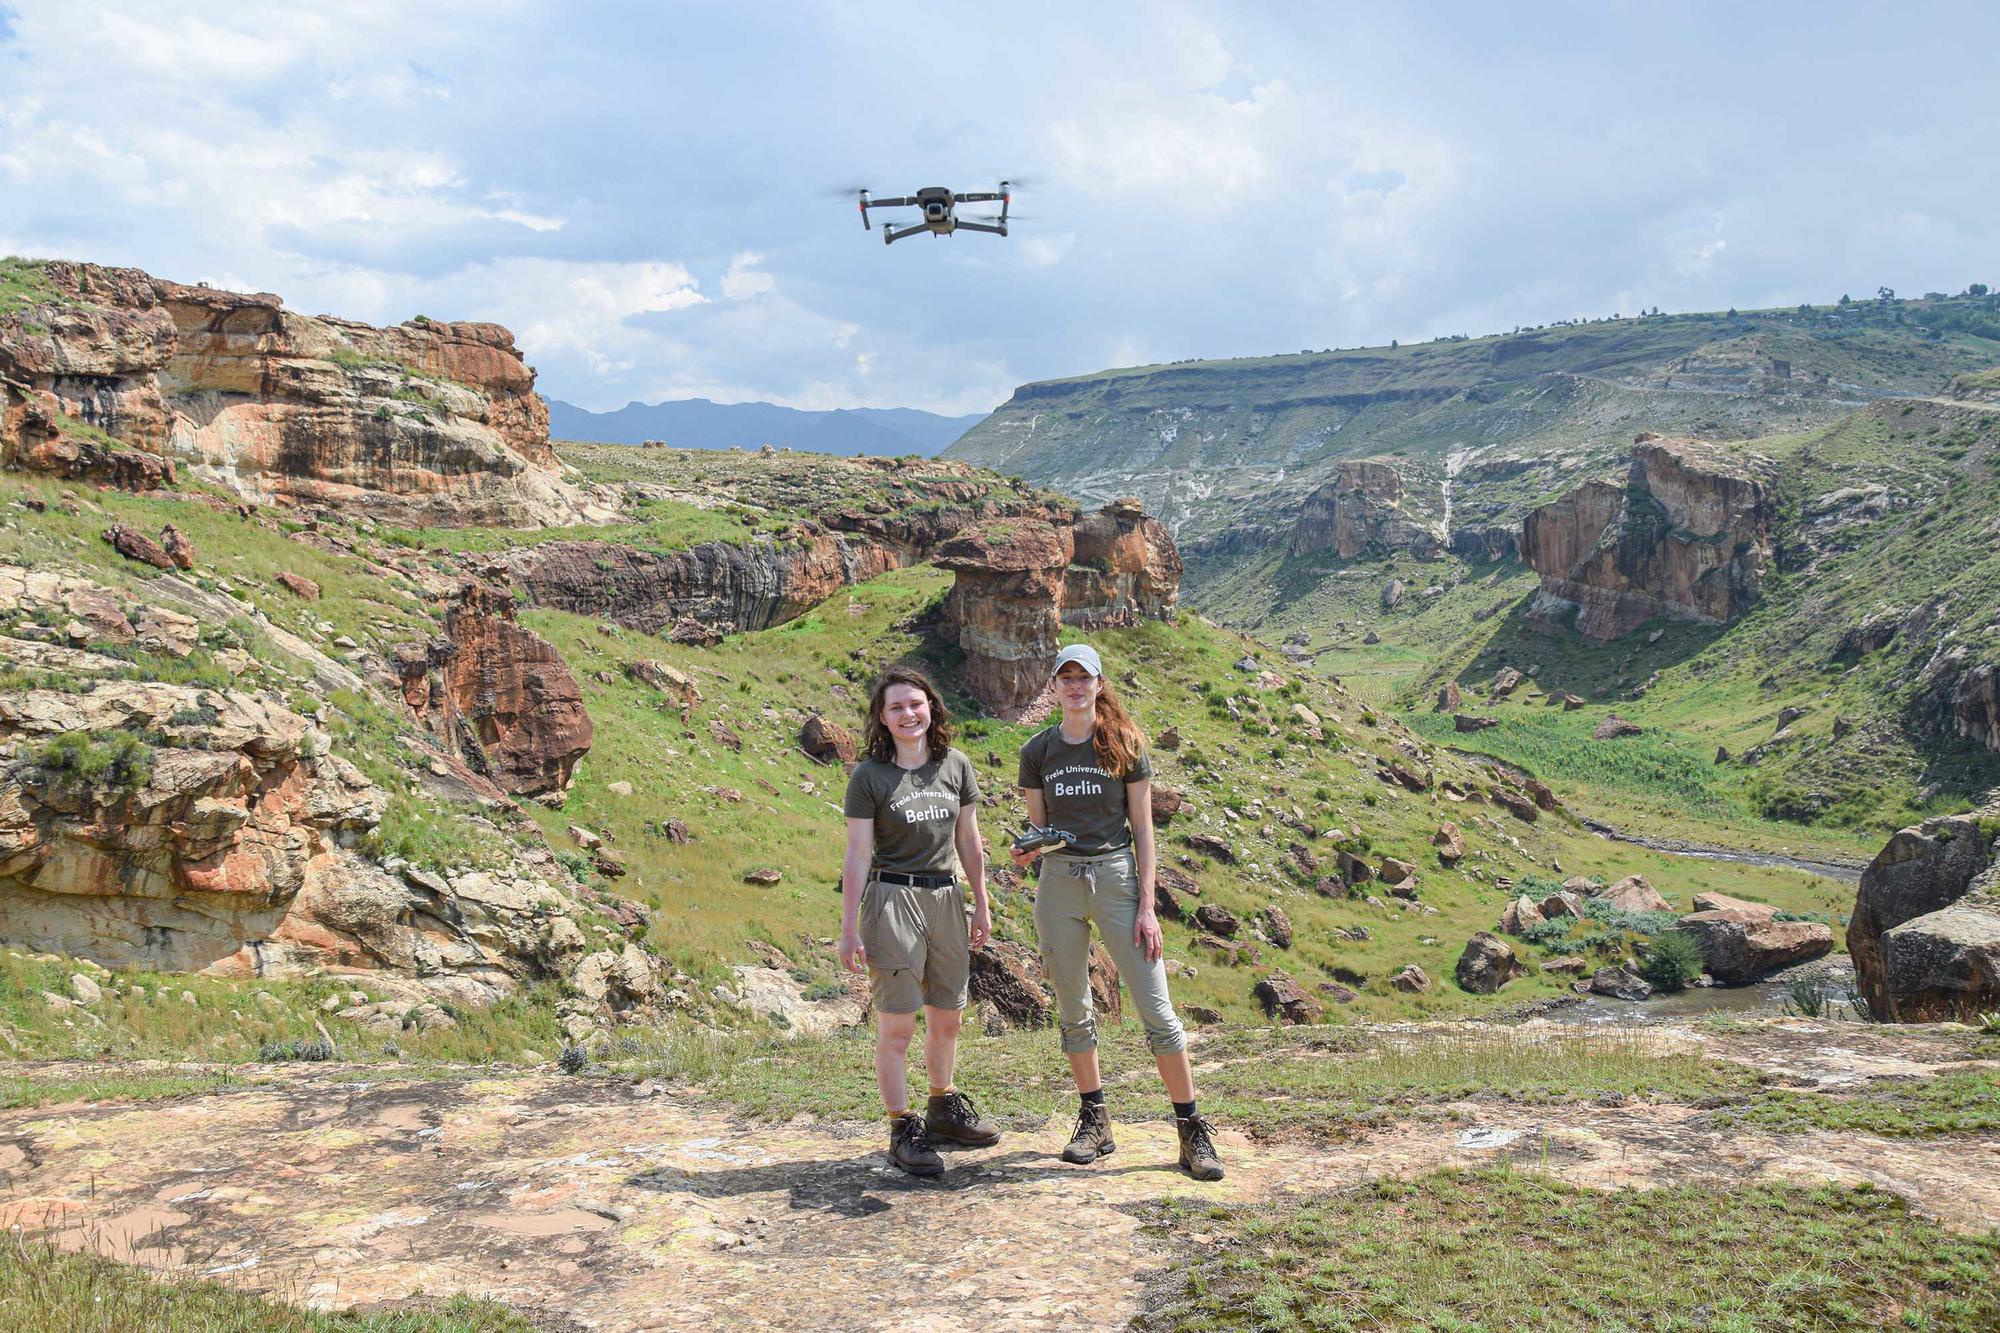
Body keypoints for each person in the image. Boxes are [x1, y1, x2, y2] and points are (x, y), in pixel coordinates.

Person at [1013, 643, 1224, 1181]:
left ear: (1099, 684)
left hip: (1115, 877)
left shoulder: (1124, 743)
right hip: (1060, 881)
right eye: (1065, 678)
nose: (1075, 686)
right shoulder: (1038, 751)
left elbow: (1144, 830)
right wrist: (1029, 849)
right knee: (1073, 1007)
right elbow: (1040, 830)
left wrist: (1147, 905)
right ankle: (1095, 1119)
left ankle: (1191, 1129)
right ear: (1054, 687)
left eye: (1083, 677)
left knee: (1157, 1008)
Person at [840, 665, 1001, 1176]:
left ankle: (942, 1107)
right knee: (899, 1024)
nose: (908, 714)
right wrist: (848, 927)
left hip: (946, 897)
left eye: (915, 704)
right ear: (882, 718)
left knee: (948, 1015)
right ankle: (901, 1127)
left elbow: (968, 839)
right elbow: (857, 854)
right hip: (892, 898)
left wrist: (981, 901)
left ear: (931, 707)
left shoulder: (955, 765)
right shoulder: (870, 776)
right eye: (896, 707)